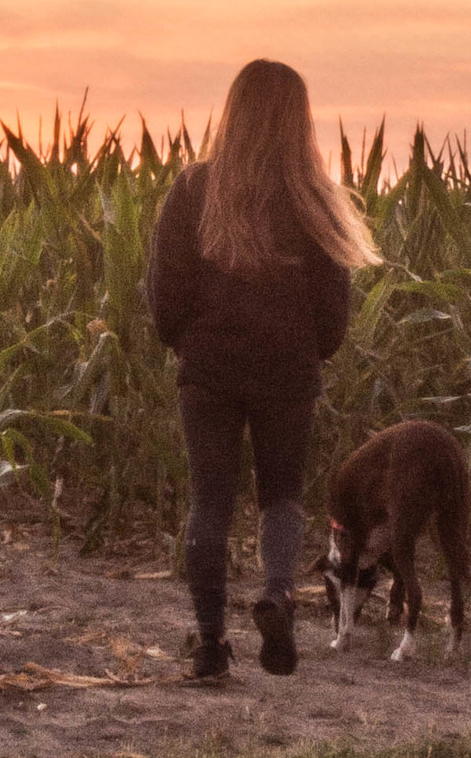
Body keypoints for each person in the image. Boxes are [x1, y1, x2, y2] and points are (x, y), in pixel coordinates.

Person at [144, 56, 374, 679]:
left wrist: (187, 344)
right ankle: (276, 595)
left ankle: (211, 646)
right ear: (298, 121)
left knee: (210, 499)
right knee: (281, 496)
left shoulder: (193, 190)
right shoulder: (312, 199)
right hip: (286, 370)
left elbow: (165, 295)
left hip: (210, 369)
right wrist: (310, 351)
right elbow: (332, 312)